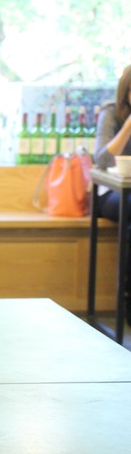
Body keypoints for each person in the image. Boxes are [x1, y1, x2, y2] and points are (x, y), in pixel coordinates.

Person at [94, 63, 131, 319]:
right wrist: (128, 126)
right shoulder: (111, 113)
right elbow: (103, 160)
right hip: (109, 193)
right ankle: (127, 299)